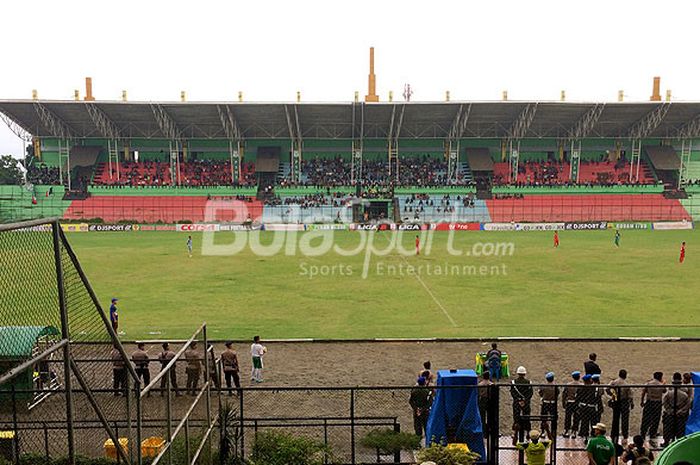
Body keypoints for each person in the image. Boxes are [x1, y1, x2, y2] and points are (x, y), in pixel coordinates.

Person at [662, 372, 691, 447]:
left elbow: (665, 401)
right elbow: (688, 403)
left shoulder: (670, 391)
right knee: (680, 429)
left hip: (670, 412)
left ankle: (666, 442)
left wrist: (669, 410)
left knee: (667, 428)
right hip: (681, 413)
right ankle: (678, 443)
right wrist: (681, 411)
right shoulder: (685, 391)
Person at [640, 371, 665, 445]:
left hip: (649, 401)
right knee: (656, 419)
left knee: (646, 418)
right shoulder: (661, 384)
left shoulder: (649, 383)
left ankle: (643, 433)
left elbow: (643, 392)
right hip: (657, 402)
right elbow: (664, 391)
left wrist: (642, 401)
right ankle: (652, 433)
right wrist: (663, 383)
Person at [608, 369, 633, 442]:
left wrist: (613, 395)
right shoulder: (626, 384)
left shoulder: (614, 382)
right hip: (624, 402)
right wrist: (631, 403)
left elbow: (608, 389)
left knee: (615, 419)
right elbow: (630, 396)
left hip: (616, 401)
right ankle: (625, 434)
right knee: (625, 419)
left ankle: (614, 434)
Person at [511, 366, 533, 445]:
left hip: (517, 402)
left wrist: (519, 400)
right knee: (527, 417)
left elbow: (512, 393)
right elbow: (530, 393)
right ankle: (527, 433)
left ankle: (515, 433)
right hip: (526, 403)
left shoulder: (513, 382)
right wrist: (524, 400)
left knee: (516, 417)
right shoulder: (528, 382)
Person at [575, 374, 597, 442]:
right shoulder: (594, 388)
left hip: (583, 407)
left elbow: (577, 398)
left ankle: (585, 436)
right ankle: (593, 435)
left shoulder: (580, 388)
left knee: (585, 422)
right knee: (593, 422)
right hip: (591, 407)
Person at [409, 376, 432, 442]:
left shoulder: (414, 391)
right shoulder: (427, 391)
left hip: (416, 411)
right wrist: (423, 409)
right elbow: (430, 402)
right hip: (425, 412)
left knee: (417, 426)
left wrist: (416, 409)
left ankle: (418, 441)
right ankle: (427, 442)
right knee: (426, 426)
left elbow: (411, 401)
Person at [538, 372, 559, 439]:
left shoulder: (543, 386)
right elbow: (557, 393)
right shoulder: (555, 386)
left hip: (545, 403)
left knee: (544, 418)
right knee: (554, 418)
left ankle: (543, 432)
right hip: (553, 403)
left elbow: (540, 393)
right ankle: (553, 432)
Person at [562, 371, 582, 438]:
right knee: (576, 417)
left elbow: (564, 394)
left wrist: (563, 402)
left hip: (569, 402)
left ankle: (567, 430)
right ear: (579, 377)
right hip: (577, 403)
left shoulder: (568, 385)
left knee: (568, 417)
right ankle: (574, 431)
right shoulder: (581, 385)